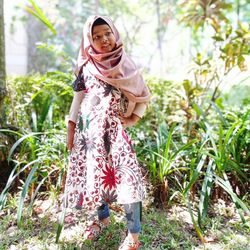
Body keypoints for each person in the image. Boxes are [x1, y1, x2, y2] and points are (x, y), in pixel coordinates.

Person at [64, 15, 150, 250]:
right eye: (96, 36)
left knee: (127, 181)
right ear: (88, 40)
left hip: (115, 134)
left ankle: (133, 236)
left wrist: (133, 118)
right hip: (89, 135)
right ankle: (101, 219)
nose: (104, 40)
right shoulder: (86, 66)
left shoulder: (125, 64)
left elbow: (143, 94)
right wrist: (71, 129)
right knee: (95, 177)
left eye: (107, 33)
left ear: (115, 32)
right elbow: (77, 101)